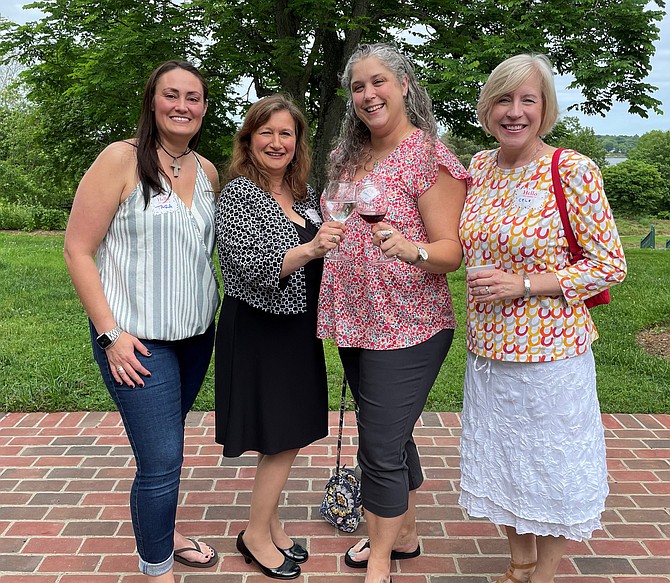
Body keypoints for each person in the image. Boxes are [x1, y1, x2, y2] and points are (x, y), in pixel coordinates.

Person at [458, 53, 627, 583]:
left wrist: (525, 284)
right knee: (506, 461)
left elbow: (610, 265)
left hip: (550, 353)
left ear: (544, 107)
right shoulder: (479, 167)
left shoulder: (572, 169)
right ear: (487, 108)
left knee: (551, 470)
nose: (515, 111)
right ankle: (519, 561)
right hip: (488, 350)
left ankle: (545, 573)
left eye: (527, 100)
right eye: (503, 99)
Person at [63, 60, 220, 582]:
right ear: (152, 101)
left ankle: (166, 531)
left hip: (196, 338)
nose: (182, 106)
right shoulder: (121, 160)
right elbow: (78, 249)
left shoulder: (209, 171)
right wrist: (110, 335)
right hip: (135, 342)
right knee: (160, 460)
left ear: (203, 107)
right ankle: (158, 570)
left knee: (167, 446)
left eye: (193, 97)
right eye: (171, 95)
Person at [317, 43, 467, 583]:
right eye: (357, 87)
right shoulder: (345, 159)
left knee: (378, 444)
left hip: (409, 323)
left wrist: (415, 249)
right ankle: (404, 533)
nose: (367, 95)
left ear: (403, 85)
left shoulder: (431, 158)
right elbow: (336, 219)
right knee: (392, 431)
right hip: (354, 317)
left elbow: (451, 250)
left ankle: (380, 557)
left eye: (378, 82)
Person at [214, 93, 345, 580]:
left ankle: (268, 524)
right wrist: (311, 248)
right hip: (259, 328)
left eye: (285, 133)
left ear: (298, 141)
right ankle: (253, 533)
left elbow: (324, 253)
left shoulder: (305, 193)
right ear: (249, 139)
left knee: (289, 432)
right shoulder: (239, 195)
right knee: (280, 434)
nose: (276, 141)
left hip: (296, 327)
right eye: (266, 132)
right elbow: (250, 267)